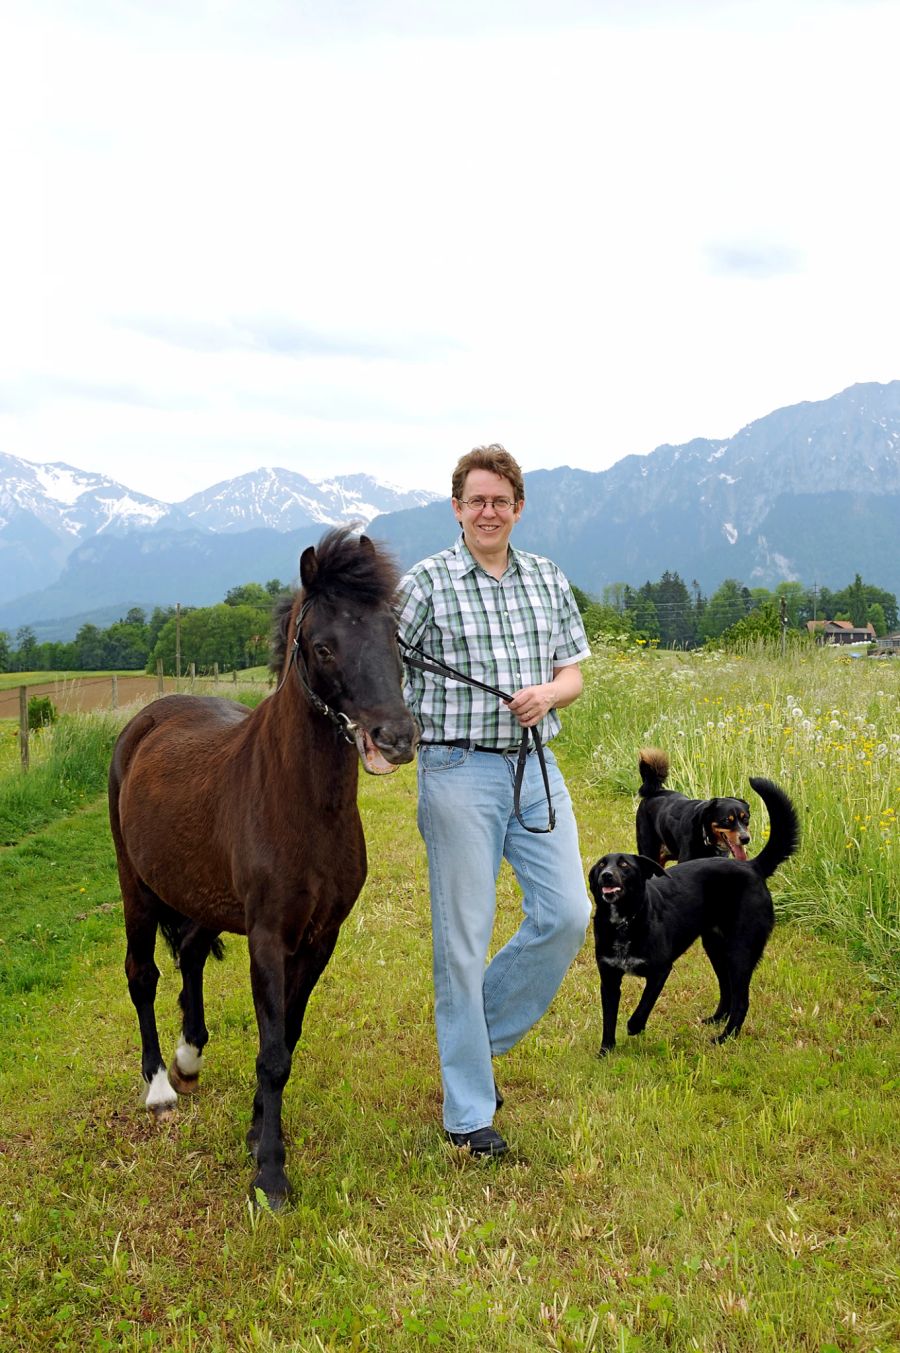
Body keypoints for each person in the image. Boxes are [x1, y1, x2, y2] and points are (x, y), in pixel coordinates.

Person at [396, 444, 592, 1157]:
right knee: (463, 940)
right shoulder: (425, 584)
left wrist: (549, 692)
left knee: (569, 912)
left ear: (518, 508)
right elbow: (381, 664)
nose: (488, 511)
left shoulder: (545, 577)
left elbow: (572, 671)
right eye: (475, 500)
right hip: (456, 770)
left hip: (535, 767)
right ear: (456, 507)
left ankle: (472, 1042)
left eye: (500, 501)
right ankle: (468, 1110)